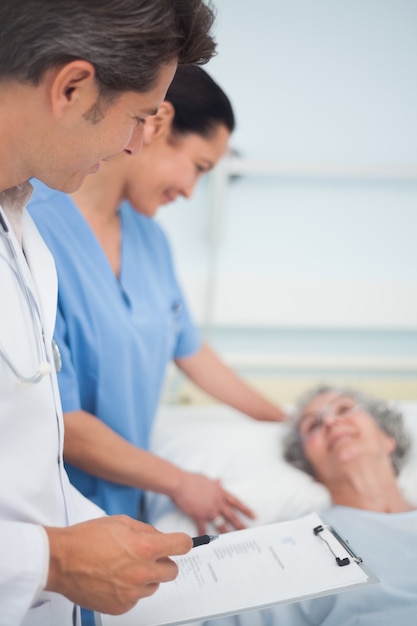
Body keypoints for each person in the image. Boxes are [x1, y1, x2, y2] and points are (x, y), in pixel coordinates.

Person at [0, 1, 217, 624]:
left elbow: (27, 465)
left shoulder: (26, 238)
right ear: (73, 87)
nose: (134, 145)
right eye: (139, 117)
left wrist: (109, 538)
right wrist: (52, 563)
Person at [28, 65, 287, 544]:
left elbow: (191, 352)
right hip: (52, 514)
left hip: (128, 505)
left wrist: (287, 425)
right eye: (199, 167)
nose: (191, 191)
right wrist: (180, 482)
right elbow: (59, 416)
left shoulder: (151, 239)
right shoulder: (33, 226)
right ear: (158, 122)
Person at [202, 385, 417, 625]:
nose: (330, 422)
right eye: (313, 425)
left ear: (389, 438)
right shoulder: (289, 539)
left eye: (344, 409)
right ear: (309, 466)